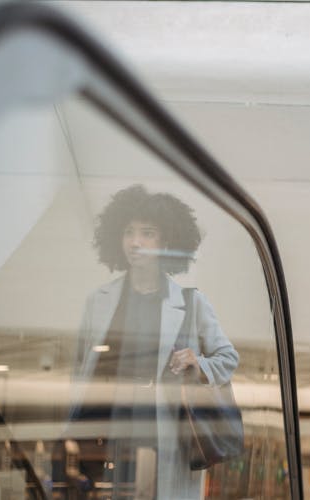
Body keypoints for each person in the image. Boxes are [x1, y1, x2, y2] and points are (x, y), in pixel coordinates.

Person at [72, 184, 239, 499]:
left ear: (166, 241)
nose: (136, 242)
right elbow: (80, 371)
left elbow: (228, 359)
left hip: (169, 437)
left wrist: (198, 361)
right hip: (111, 436)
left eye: (147, 233)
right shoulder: (99, 301)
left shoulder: (192, 303)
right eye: (129, 232)